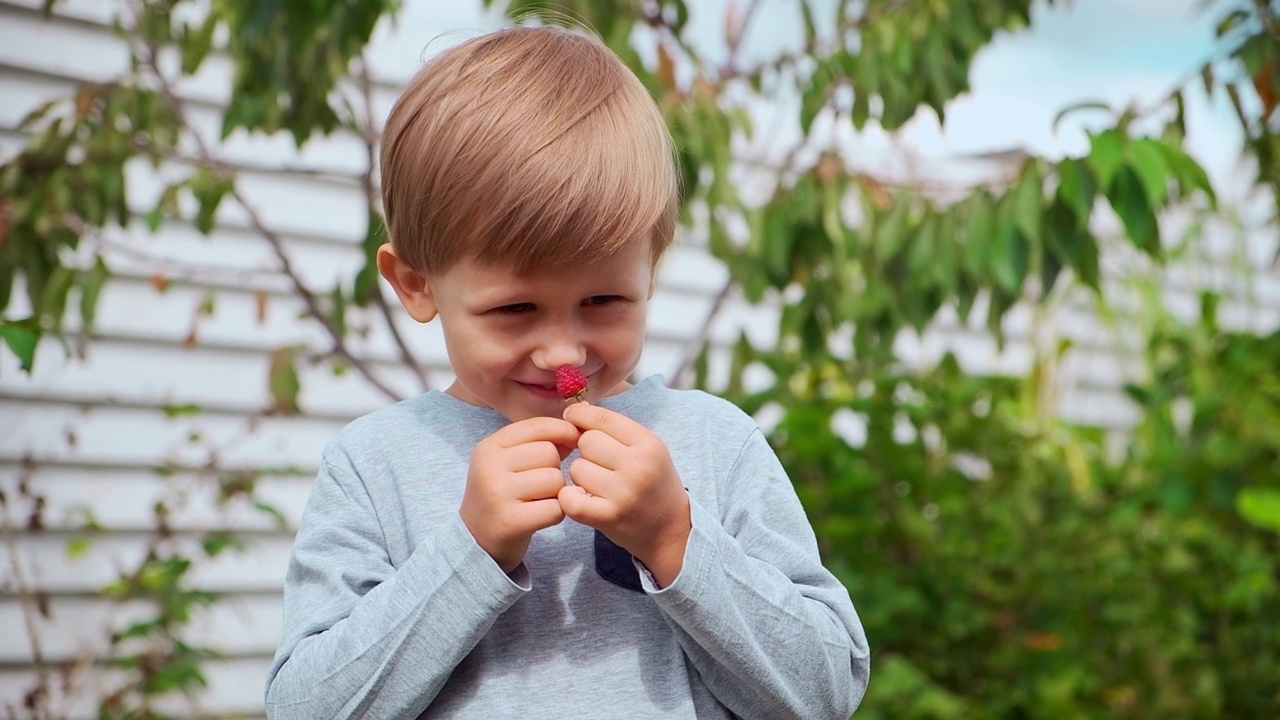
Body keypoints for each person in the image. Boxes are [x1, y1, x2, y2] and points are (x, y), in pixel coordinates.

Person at [264, 24, 870, 720]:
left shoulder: (713, 444)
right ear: (416, 284)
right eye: (516, 309)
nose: (564, 354)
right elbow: (306, 707)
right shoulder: (375, 467)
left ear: (653, 264)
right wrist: (469, 553)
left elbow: (825, 692)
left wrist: (675, 539)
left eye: (604, 301)